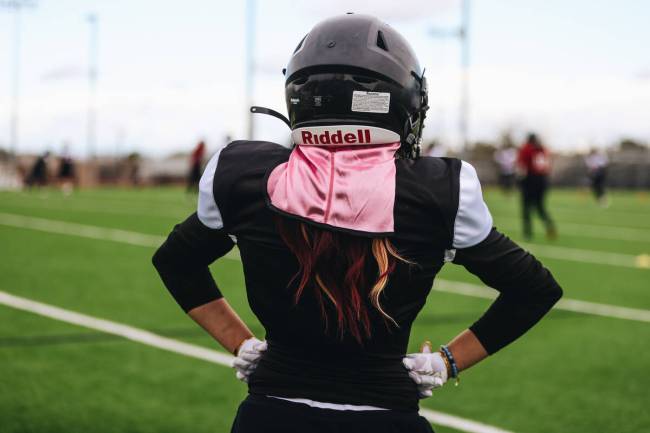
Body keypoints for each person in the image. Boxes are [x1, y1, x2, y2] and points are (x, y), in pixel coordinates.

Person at [153, 14, 562, 433]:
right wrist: (447, 361)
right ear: (401, 99)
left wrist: (239, 342)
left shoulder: (245, 175)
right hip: (385, 419)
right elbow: (534, 289)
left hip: (270, 416)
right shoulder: (436, 191)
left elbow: (176, 261)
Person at [517, 133, 556, 240]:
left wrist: (520, 181)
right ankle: (549, 225)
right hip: (542, 180)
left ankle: (527, 233)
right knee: (540, 207)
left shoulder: (526, 149)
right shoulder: (543, 149)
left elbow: (521, 167)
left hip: (530, 180)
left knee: (526, 208)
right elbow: (547, 166)